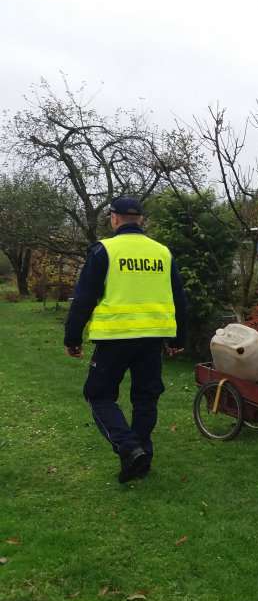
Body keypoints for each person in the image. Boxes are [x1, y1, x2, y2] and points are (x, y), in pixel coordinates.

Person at [64, 196, 188, 483]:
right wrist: (178, 338)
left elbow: (83, 299)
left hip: (115, 338)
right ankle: (142, 456)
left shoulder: (104, 251)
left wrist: (73, 338)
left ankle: (131, 449)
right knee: (146, 398)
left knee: (98, 394)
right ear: (141, 220)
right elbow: (180, 300)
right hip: (152, 339)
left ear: (114, 218)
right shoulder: (163, 253)